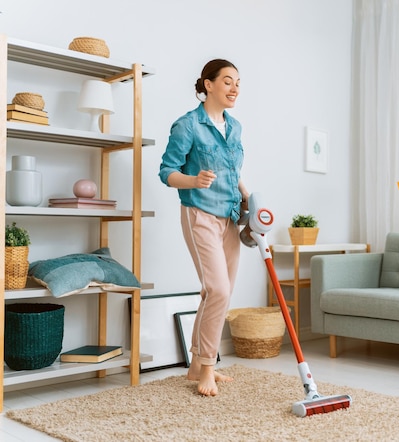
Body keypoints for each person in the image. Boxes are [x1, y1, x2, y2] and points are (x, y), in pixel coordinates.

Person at [159, 59, 250, 396]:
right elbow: (167, 171)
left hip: (229, 216)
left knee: (215, 292)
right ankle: (208, 369)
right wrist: (194, 180)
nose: (235, 88)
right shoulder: (187, 126)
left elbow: (233, 172)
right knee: (219, 290)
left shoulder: (235, 127)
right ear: (208, 84)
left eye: (238, 82)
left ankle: (197, 364)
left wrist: (250, 199)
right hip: (199, 213)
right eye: (227, 81)